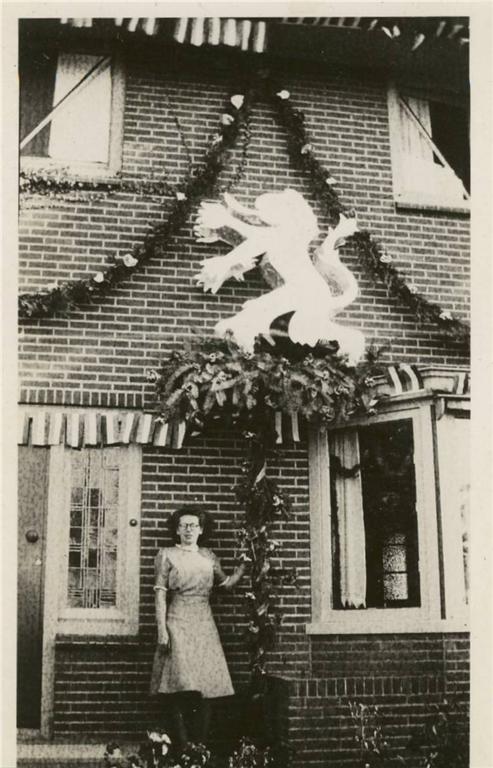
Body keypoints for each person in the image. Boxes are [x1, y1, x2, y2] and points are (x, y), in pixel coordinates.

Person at [150, 505, 248, 751]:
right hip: (177, 619)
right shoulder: (167, 555)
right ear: (176, 529)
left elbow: (226, 584)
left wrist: (243, 567)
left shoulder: (208, 556)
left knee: (206, 683)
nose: (188, 530)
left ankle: (199, 749)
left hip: (204, 621)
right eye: (183, 525)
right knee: (177, 682)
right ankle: (184, 748)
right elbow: (160, 594)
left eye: (193, 525)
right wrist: (162, 629)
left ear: (201, 530)